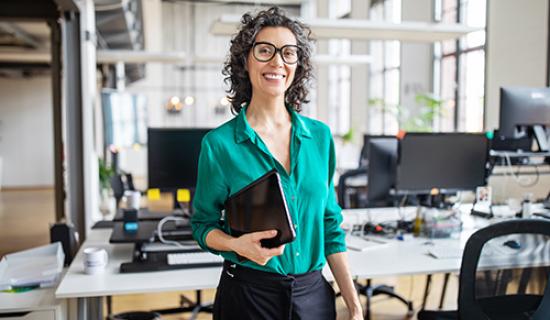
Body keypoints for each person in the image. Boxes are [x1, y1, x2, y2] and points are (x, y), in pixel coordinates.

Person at [191, 7, 362, 320]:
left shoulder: (320, 138)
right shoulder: (220, 145)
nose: (277, 62)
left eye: (288, 53)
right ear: (245, 60)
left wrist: (353, 304)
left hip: (314, 296)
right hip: (248, 296)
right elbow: (203, 225)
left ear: (298, 65)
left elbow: (330, 227)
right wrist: (237, 245)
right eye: (265, 50)